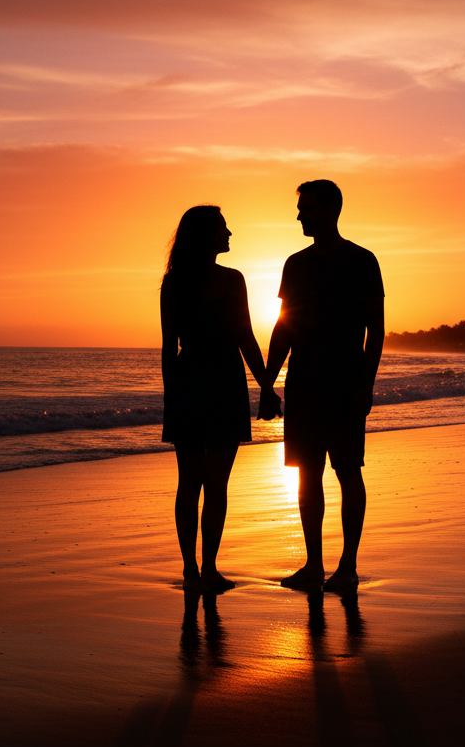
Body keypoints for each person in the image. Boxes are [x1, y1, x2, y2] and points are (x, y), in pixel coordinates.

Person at [260, 180, 385, 593]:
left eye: (308, 208)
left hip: (345, 382)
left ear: (331, 209)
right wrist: (267, 382)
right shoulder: (295, 264)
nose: (300, 216)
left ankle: (347, 566)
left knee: (348, 470)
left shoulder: (362, 261)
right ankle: (314, 565)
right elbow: (285, 326)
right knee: (306, 475)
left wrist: (365, 385)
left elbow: (376, 330)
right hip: (304, 385)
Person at [161, 205, 271, 592]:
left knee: (191, 483)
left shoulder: (174, 283)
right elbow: (245, 339)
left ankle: (197, 569)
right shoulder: (227, 280)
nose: (229, 233)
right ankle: (203, 569)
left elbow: (168, 349)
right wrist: (267, 386)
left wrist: (171, 395)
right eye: (223, 228)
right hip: (219, 382)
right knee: (211, 484)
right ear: (207, 234)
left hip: (194, 382)